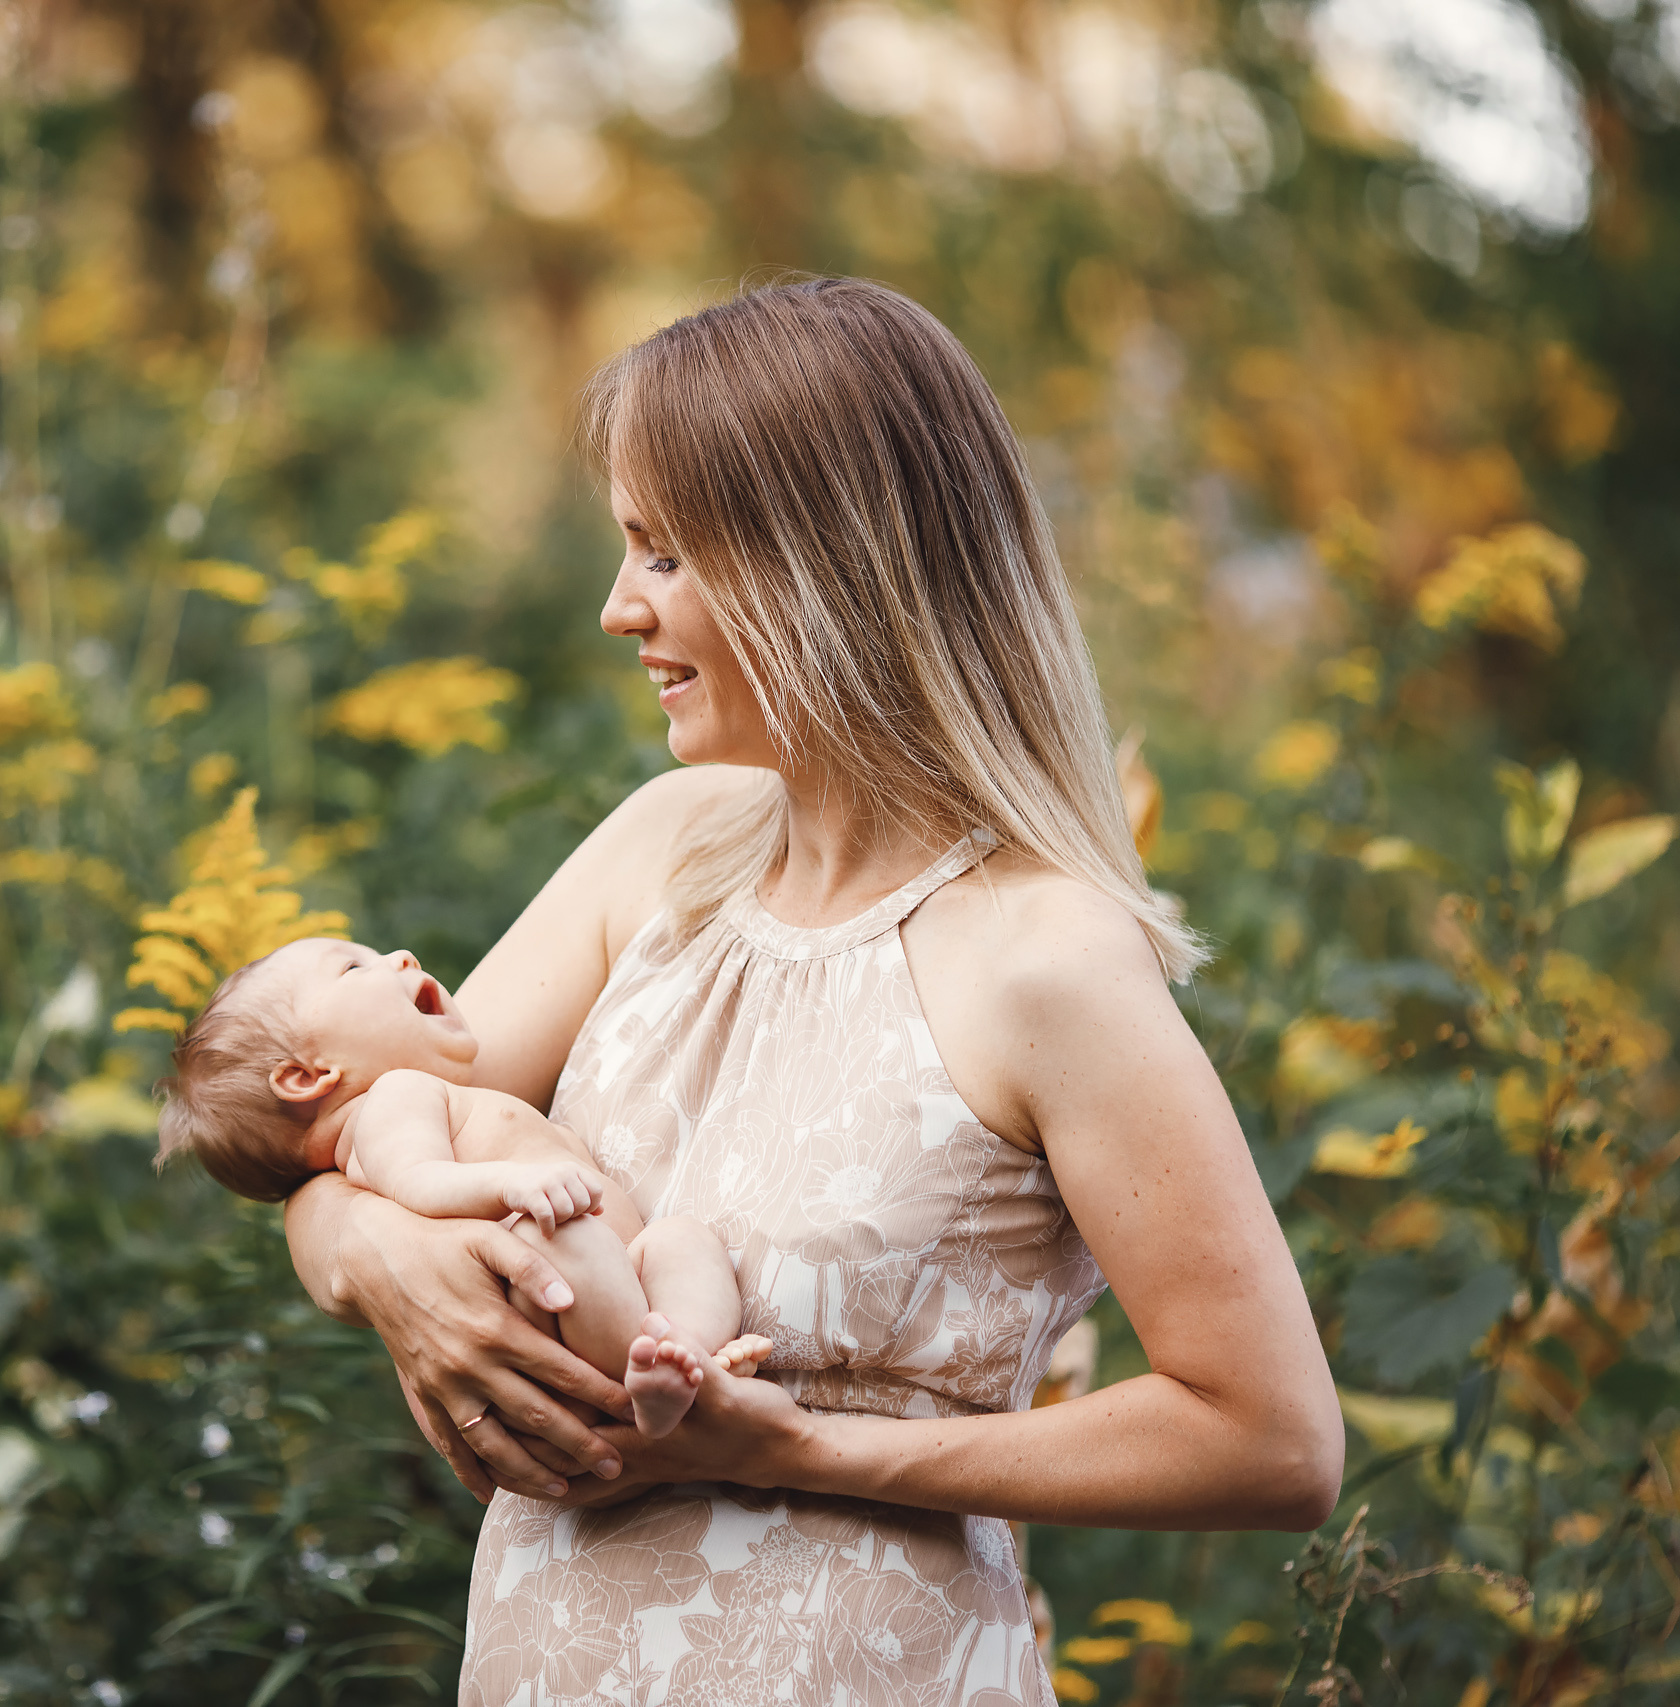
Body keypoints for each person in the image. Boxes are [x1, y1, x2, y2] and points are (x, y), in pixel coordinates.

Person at [281, 277, 1344, 1703]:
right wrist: (381, 1265)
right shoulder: (659, 854)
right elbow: (338, 1127)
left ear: (824, 565)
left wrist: (805, 1450)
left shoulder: (1042, 960)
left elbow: (1271, 1440)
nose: (617, 608)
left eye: (666, 554)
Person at [153, 935, 774, 1437]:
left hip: (599, 1294)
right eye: (353, 968)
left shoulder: (424, 1102)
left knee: (681, 1240)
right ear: (307, 1076)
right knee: (561, 1234)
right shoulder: (393, 1099)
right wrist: (512, 1183)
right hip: (552, 1302)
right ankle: (654, 1377)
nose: (401, 957)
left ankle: (683, 1357)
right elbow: (420, 1183)